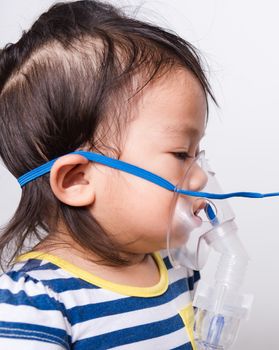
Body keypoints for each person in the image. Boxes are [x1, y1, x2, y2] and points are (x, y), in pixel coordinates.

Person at [0, 1, 216, 348]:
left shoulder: (178, 273)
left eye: (197, 154)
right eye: (180, 154)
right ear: (77, 179)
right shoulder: (35, 308)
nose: (201, 177)